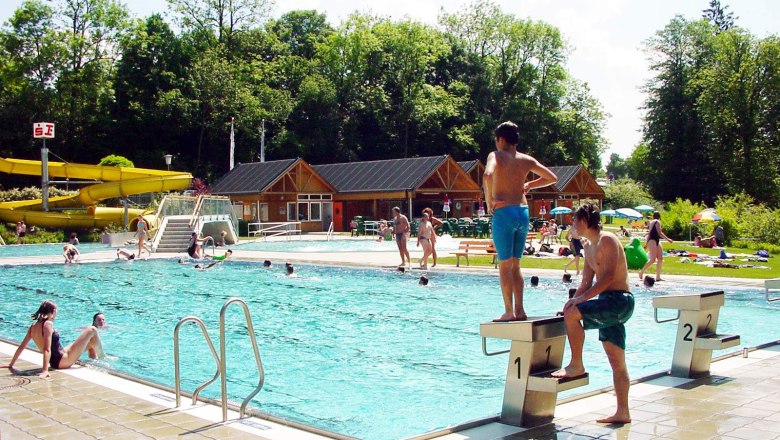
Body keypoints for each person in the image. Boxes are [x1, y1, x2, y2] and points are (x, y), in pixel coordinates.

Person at [552, 204, 634, 424]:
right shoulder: (587, 246)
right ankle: (623, 412)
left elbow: (607, 278)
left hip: (620, 301)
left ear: (586, 221)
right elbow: (586, 281)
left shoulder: (607, 239)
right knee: (617, 361)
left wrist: (580, 302)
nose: (572, 225)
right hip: (606, 303)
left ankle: (576, 364)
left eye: (574, 221)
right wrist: (571, 301)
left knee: (572, 315)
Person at [484, 121, 557, 322]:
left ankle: (508, 311)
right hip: (523, 212)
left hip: (504, 212)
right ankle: (520, 310)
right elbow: (552, 177)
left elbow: (487, 174)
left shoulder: (496, 155)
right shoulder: (526, 160)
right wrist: (530, 184)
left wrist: (489, 201)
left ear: (500, 139)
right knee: (516, 265)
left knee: (505, 265)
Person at [1, 300, 105, 379]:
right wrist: (45, 370)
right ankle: (103, 357)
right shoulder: (48, 324)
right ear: (53, 311)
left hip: (58, 357)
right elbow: (47, 349)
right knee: (92, 329)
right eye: (56, 312)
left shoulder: (33, 326)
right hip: (62, 361)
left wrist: (11, 364)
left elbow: (22, 346)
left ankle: (95, 360)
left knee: (90, 342)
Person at [638, 211, 673, 282]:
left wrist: (646, 243)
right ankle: (641, 272)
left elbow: (650, 232)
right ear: (659, 216)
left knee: (660, 258)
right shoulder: (657, 222)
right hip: (653, 240)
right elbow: (659, 233)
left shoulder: (652, 222)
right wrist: (668, 239)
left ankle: (658, 276)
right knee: (653, 259)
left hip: (655, 240)